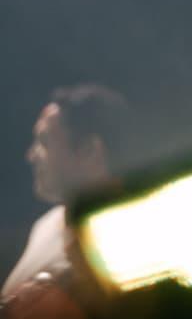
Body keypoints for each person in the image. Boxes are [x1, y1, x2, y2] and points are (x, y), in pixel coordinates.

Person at [2, 84, 130, 302]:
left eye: (44, 142)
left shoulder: (127, 241)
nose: (31, 156)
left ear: (90, 150)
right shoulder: (46, 225)